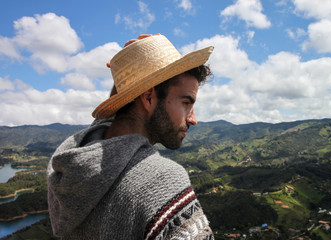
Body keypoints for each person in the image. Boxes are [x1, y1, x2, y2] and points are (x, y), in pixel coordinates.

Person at [47, 34, 214, 239]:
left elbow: (111, 127)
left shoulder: (74, 162)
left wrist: (131, 73)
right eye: (186, 103)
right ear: (148, 97)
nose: (193, 119)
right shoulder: (162, 181)